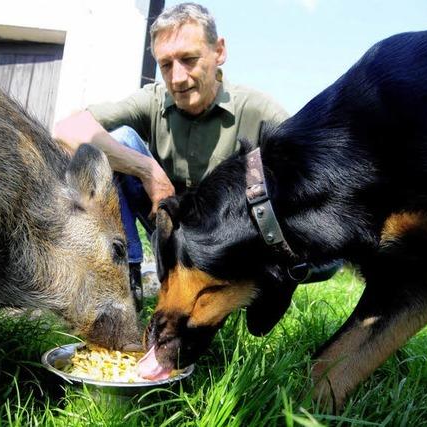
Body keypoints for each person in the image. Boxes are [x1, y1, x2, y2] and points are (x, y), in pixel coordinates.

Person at [53, 2, 338, 311]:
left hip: (232, 243)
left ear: (219, 51)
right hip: (167, 227)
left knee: (321, 253)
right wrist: (147, 169)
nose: (176, 78)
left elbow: (314, 177)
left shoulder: (258, 110)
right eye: (165, 65)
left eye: (189, 60)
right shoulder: (154, 100)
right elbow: (68, 128)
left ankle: (254, 287)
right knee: (118, 141)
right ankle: (127, 279)